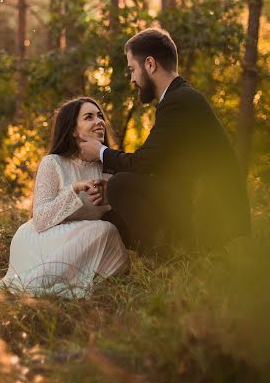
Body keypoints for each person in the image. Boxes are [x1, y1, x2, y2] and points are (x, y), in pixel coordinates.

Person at [80, 28, 251, 254]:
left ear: (150, 64)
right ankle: (164, 254)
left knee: (121, 185)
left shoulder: (178, 101)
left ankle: (167, 260)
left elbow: (143, 163)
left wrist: (100, 151)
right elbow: (157, 163)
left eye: (132, 69)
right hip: (193, 201)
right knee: (114, 210)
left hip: (208, 216)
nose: (132, 78)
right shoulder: (180, 97)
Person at [0, 97, 130, 298]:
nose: (99, 121)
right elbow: (40, 220)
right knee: (104, 230)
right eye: (89, 117)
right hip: (41, 240)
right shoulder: (53, 163)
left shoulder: (107, 166)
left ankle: (75, 287)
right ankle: (32, 284)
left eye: (100, 116)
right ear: (73, 130)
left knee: (117, 252)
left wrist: (110, 198)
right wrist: (73, 189)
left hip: (89, 239)